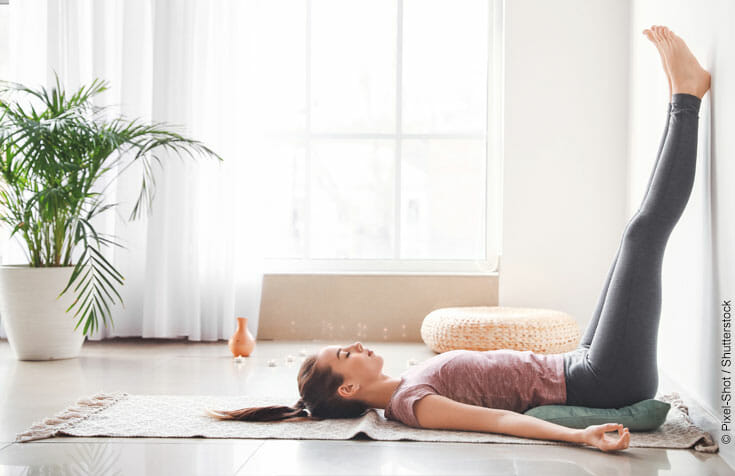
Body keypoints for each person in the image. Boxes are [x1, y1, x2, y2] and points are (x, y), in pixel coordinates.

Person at [206, 25, 711, 453]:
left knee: (632, 237)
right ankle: (685, 97)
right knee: (645, 236)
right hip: (602, 380)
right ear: (351, 386)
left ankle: (680, 94)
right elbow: (501, 423)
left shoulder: (409, 381)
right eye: (344, 354)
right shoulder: (413, 404)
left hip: (580, 362)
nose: (354, 345)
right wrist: (580, 438)